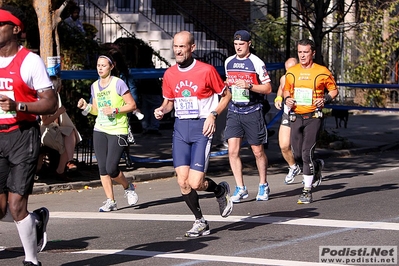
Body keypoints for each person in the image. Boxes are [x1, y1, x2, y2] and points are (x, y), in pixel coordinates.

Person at [154, 31, 233, 237]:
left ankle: (220, 191)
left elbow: (226, 95)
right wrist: (162, 110)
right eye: (175, 47)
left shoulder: (206, 71)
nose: (178, 50)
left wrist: (213, 114)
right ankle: (200, 221)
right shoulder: (170, 74)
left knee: (196, 182)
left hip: (201, 128)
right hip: (181, 128)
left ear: (192, 47)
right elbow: (169, 101)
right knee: (182, 181)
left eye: (182, 46)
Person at [0, 5, 58, 266]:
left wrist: (18, 106)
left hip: (23, 136)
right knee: (0, 209)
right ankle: (36, 220)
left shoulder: (30, 61)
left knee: (15, 205)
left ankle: (31, 260)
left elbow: (50, 103)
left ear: (15, 29)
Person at [77, 53, 139, 212]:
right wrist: (86, 107)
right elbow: (97, 110)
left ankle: (128, 186)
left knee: (112, 168)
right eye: (98, 65)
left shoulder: (118, 83)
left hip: (118, 129)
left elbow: (132, 105)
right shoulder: (94, 86)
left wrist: (115, 110)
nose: (100, 68)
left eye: (103, 65)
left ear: (111, 66)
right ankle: (110, 200)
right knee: (103, 168)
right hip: (100, 129)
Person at [283, 39, 338, 204]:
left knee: (306, 153)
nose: (302, 55)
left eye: (305, 52)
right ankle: (317, 166)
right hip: (296, 116)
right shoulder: (292, 72)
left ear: (312, 53)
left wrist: (325, 99)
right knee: (298, 154)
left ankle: (306, 191)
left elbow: (334, 90)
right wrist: (287, 99)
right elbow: (286, 89)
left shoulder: (322, 71)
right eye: (300, 52)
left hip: (313, 116)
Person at [224, 30, 272, 203]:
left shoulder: (256, 62)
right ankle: (240, 187)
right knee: (232, 151)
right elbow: (229, 86)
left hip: (253, 111)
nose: (238, 47)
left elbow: (267, 89)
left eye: (241, 44)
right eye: (236, 44)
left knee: (257, 151)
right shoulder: (229, 61)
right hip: (234, 110)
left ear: (249, 44)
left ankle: (263, 185)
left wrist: (249, 85)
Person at [38, 77, 82, 181]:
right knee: (66, 143)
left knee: (70, 133)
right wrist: (58, 113)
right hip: (45, 130)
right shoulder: (47, 100)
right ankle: (62, 168)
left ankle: (68, 162)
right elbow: (45, 121)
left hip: (54, 128)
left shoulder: (56, 99)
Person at [274, 57, 301, 184]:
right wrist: (278, 98)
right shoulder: (284, 78)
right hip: (288, 114)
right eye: (286, 70)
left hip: (302, 114)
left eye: (291, 70)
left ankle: (314, 167)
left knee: (302, 150)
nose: (288, 73)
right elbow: (281, 88)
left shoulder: (304, 78)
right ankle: (293, 167)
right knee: (284, 146)